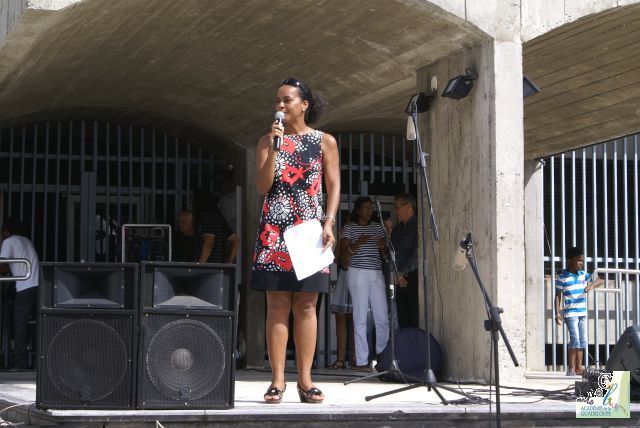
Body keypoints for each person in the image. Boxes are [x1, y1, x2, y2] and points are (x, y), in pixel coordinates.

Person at [250, 77, 340, 404]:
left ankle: (305, 380)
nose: (280, 106)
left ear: (304, 105)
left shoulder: (324, 141)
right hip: (274, 233)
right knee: (276, 304)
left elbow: (333, 185)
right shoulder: (265, 141)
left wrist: (329, 222)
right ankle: (277, 381)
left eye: (287, 100)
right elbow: (262, 186)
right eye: (277, 100)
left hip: (309, 232)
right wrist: (274, 148)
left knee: (306, 306)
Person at [339, 196, 388, 370]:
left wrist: (383, 247)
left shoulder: (378, 228)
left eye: (371, 208)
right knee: (359, 316)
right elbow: (341, 256)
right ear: (358, 210)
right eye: (366, 208)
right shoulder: (350, 228)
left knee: (382, 317)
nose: (370, 211)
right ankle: (361, 360)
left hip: (376, 273)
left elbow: (385, 253)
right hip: (357, 273)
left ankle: (384, 358)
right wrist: (357, 244)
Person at [555, 246, 604, 376]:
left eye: (582, 260)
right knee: (575, 340)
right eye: (578, 260)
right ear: (570, 260)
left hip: (582, 312)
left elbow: (600, 280)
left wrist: (591, 285)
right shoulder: (562, 277)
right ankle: (571, 368)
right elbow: (558, 295)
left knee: (582, 340)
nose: (581, 263)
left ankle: (579, 367)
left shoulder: (583, 274)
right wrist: (557, 313)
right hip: (571, 313)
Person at [0, 218, 40, 370]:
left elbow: (2, 265)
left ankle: (21, 364)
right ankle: (40, 362)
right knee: (38, 325)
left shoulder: (9, 241)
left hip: (25, 287)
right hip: (38, 286)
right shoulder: (26, 241)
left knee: (20, 326)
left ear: (5, 231)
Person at [328, 213, 356, 369]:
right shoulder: (343, 236)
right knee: (341, 318)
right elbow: (336, 258)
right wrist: (339, 240)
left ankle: (355, 357)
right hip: (344, 277)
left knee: (356, 319)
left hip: (359, 276)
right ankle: (340, 359)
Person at [391, 193, 419, 328]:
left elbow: (417, 254)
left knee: (415, 317)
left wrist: (402, 271)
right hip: (399, 279)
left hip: (414, 277)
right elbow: (392, 253)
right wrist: (396, 272)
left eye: (397, 207)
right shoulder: (396, 230)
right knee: (403, 319)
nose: (395, 211)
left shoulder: (418, 226)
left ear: (408, 207)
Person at [193, 189, 240, 264]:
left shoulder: (207, 215)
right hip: (218, 267)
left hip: (208, 269)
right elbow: (236, 240)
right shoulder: (218, 217)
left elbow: (209, 241)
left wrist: (200, 264)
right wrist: (229, 261)